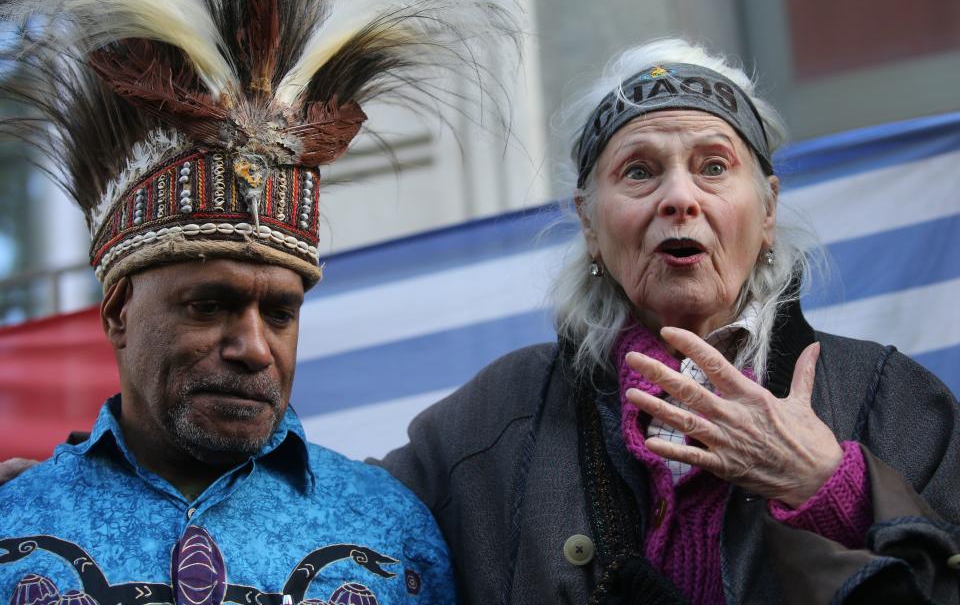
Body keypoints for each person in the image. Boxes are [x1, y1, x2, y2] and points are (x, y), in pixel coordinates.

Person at [0, 0, 517, 603]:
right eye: (208, 305)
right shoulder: (15, 523)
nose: (252, 347)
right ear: (118, 314)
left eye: (280, 312)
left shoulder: (395, 531)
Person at [379, 39, 960, 604]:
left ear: (768, 213)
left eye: (713, 166)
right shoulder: (492, 419)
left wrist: (829, 488)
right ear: (589, 223)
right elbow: (343, 531)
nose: (679, 197)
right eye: (638, 171)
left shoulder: (889, 398)